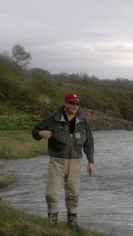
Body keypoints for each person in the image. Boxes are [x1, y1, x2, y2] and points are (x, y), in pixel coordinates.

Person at [32, 93, 94, 229]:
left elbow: (89, 142)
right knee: (52, 192)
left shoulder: (83, 121)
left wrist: (90, 161)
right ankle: (52, 220)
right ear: (65, 103)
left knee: (73, 192)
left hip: (76, 161)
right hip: (57, 160)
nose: (75, 106)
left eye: (77, 104)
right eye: (72, 103)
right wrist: (41, 133)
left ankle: (72, 221)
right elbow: (35, 131)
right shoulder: (53, 118)